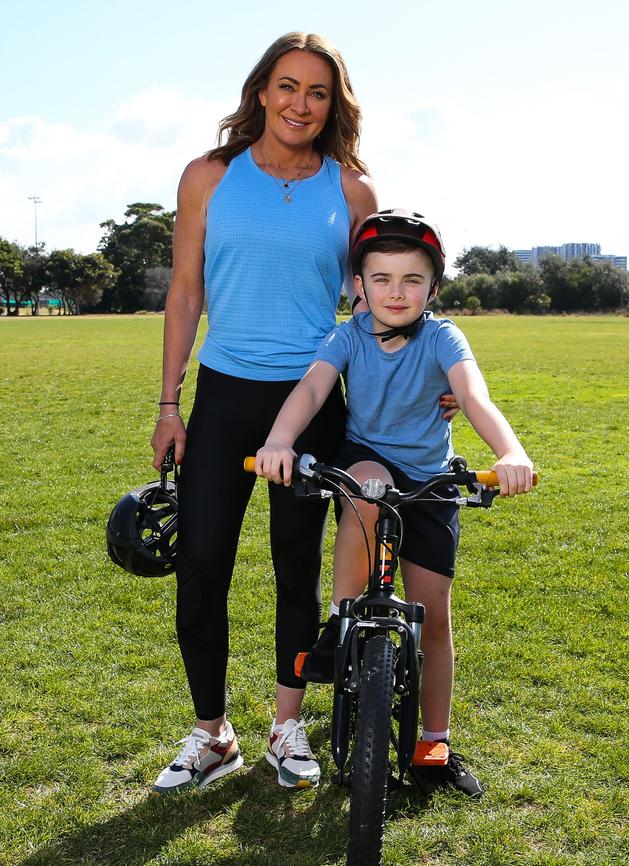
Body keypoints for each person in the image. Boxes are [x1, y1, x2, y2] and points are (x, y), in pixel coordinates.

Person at [149, 32, 380, 794]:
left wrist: (426, 379)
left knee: (296, 568)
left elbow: (375, 307)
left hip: (311, 402)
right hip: (222, 396)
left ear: (332, 107)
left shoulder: (349, 191)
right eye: (287, 87)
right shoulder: (208, 177)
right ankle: (212, 734)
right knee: (202, 563)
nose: (300, 104)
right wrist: (169, 403)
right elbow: (185, 294)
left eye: (317, 93)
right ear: (260, 92)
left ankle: (288, 726)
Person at [255, 209, 535, 798]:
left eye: (412, 279)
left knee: (433, 615)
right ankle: (341, 619)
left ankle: (434, 741)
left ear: (434, 286)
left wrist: (509, 451)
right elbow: (311, 386)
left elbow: (473, 396)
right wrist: (280, 440)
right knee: (368, 484)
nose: (396, 291)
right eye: (380, 278)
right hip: (370, 458)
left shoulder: (443, 336)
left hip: (430, 475)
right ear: (359, 286)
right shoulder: (348, 334)